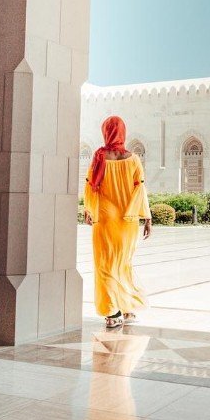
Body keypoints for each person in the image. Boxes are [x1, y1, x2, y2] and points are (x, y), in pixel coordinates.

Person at [84, 115, 152, 329]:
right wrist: (147, 217)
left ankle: (113, 313)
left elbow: (90, 186)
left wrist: (89, 210)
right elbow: (139, 188)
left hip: (104, 219)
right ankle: (127, 308)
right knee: (122, 264)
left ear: (106, 132)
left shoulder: (99, 157)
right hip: (127, 221)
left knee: (105, 266)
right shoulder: (133, 159)